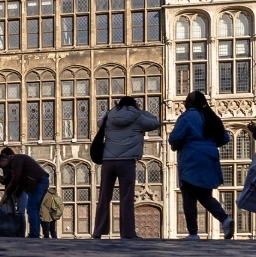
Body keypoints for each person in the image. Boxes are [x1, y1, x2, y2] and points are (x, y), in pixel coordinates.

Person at [92, 95, 161, 239]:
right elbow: (155, 123)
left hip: (108, 160)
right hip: (127, 161)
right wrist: (141, 111)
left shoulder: (110, 115)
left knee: (104, 196)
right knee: (127, 197)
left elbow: (99, 123)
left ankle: (98, 230)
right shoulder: (138, 117)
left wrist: (111, 110)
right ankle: (128, 233)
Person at [170, 91, 234, 240]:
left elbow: (175, 137)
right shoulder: (211, 117)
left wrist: (179, 144)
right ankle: (225, 219)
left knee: (189, 196)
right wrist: (210, 145)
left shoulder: (187, 117)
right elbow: (225, 137)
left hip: (192, 158)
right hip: (210, 158)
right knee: (205, 195)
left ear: (190, 102)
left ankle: (193, 233)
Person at [0, 151, 49, 238]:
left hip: (39, 183)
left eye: (1, 166)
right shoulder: (14, 162)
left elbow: (16, 178)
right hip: (35, 185)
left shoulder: (16, 160)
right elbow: (19, 180)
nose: (2, 168)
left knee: (32, 208)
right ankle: (35, 232)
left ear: (3, 160)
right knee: (34, 209)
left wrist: (6, 193)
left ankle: (34, 234)